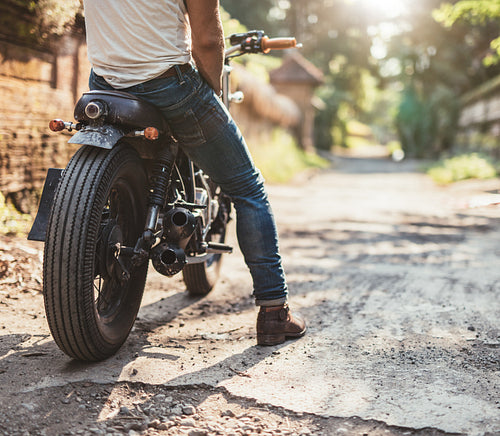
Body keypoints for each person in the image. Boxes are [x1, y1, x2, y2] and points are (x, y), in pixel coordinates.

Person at [82, 0, 306, 346]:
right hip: (167, 82)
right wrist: (209, 93)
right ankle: (275, 312)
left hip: (104, 81)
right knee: (248, 188)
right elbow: (207, 41)